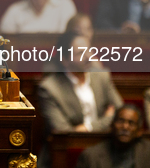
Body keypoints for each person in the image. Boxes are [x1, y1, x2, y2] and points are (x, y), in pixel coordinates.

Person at [38, 32, 123, 168]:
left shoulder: (101, 76)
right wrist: (105, 121)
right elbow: (63, 133)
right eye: (80, 53)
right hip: (68, 153)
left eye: (88, 50)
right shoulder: (49, 88)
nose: (88, 56)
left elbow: (121, 113)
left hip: (106, 149)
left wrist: (86, 128)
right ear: (64, 60)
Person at [76, 104, 150, 168]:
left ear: (139, 131)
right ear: (111, 126)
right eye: (120, 121)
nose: (125, 127)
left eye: (131, 123)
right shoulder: (90, 156)